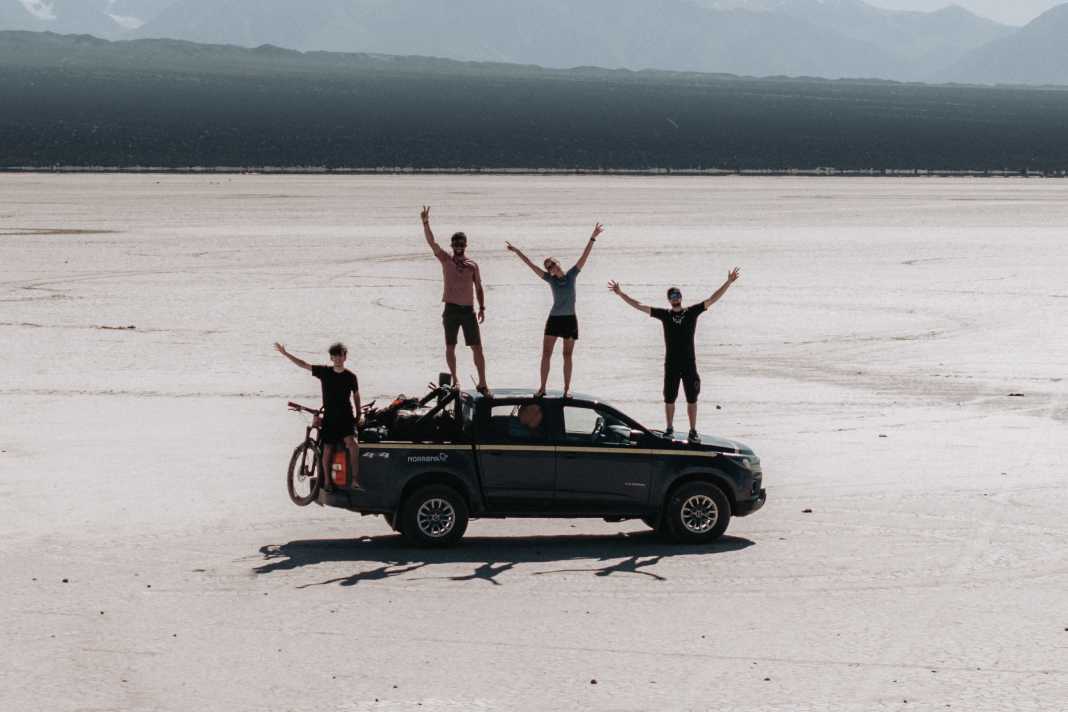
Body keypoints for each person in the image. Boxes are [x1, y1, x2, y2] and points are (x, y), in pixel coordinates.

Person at [608, 268, 741, 443]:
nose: (675, 298)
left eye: (677, 295)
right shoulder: (665, 315)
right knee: (669, 398)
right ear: (669, 300)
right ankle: (669, 428)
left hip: (689, 363)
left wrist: (728, 282)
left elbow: (712, 299)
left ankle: (693, 431)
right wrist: (620, 294)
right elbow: (639, 305)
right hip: (671, 364)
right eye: (672, 296)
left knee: (692, 398)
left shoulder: (691, 312)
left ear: (681, 297)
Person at [506, 222, 605, 397]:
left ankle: (566, 390)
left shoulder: (572, 274)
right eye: (548, 267)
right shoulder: (550, 279)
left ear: (558, 263)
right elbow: (530, 264)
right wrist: (516, 251)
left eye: (552, 264)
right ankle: (542, 388)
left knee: (567, 355)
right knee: (546, 354)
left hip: (570, 320)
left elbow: (584, 256)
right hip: (554, 319)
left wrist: (593, 237)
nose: (551, 268)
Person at [421, 206, 490, 396]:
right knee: (450, 346)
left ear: (465, 245)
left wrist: (482, 307)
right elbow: (432, 242)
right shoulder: (446, 259)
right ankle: (456, 380)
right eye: (456, 244)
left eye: (461, 244)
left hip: (468, 310)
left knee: (477, 347)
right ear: (452, 246)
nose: (458, 247)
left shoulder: (472, 265)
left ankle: (483, 382)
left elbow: (479, 287)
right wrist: (425, 223)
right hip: (451, 309)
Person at [275, 341, 362, 489]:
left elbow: (356, 395)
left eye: (341, 355)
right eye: (335, 356)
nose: (338, 358)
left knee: (353, 445)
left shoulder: (351, 376)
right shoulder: (324, 372)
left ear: (345, 357)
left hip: (346, 416)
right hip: (330, 417)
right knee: (327, 448)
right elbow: (303, 364)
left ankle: (354, 480)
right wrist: (285, 354)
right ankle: (327, 481)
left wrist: (359, 413)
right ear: (331, 358)